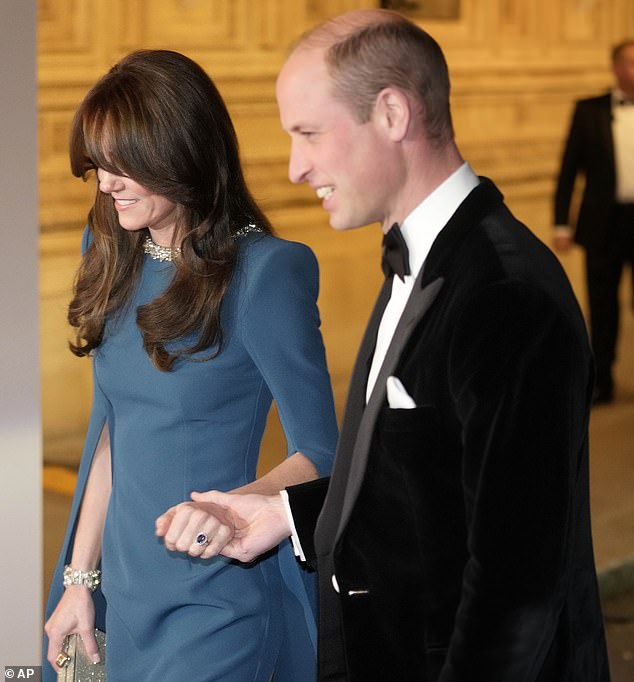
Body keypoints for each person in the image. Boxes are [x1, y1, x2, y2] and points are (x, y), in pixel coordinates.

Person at [156, 10, 610, 682]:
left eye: (308, 133)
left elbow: (517, 587)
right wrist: (286, 512)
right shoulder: (423, 259)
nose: (295, 167)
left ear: (393, 113)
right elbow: (423, 489)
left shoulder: (505, 294)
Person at [43, 49, 338, 682]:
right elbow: (110, 430)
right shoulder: (109, 246)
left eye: (124, 167)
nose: (106, 184)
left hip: (214, 597)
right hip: (122, 592)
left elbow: (322, 450)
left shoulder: (266, 274)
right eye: (98, 165)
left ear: (182, 153)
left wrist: (233, 507)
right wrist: (79, 581)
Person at [554, 39, 634, 404]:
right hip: (603, 223)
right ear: (615, 67)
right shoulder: (588, 111)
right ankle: (602, 379)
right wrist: (561, 223)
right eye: (629, 63)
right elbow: (569, 170)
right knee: (602, 307)